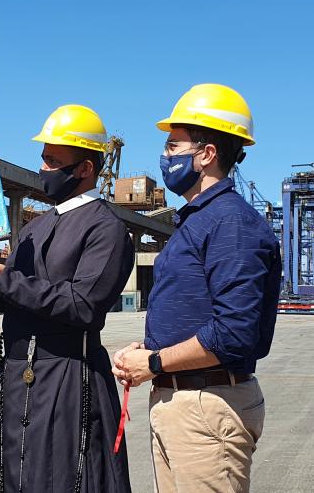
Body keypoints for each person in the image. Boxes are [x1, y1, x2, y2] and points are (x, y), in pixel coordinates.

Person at [0, 104, 135, 493]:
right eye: (43, 157)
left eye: (53, 160)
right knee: (9, 476)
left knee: (63, 477)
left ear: (84, 168)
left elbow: (83, 305)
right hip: (16, 375)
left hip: (70, 376)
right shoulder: (35, 228)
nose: (43, 168)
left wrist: (6, 281)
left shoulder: (106, 229)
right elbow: (13, 295)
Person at [112, 84, 281, 492]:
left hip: (208, 407)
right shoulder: (199, 220)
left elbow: (233, 333)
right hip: (183, 402)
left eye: (173, 146)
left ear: (206, 155)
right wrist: (150, 349)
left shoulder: (231, 223)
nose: (166, 156)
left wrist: (154, 363)